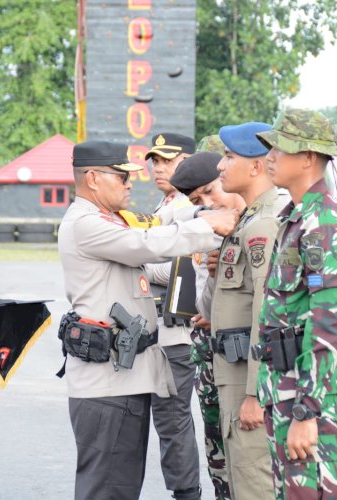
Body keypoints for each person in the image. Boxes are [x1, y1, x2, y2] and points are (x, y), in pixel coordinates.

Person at [58, 140, 237, 500]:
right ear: (92, 178)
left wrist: (199, 212)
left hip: (123, 379)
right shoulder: (86, 224)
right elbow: (147, 243)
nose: (129, 184)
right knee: (107, 489)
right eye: (121, 176)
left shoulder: (108, 220)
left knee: (122, 485)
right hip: (106, 384)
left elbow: (157, 222)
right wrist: (209, 226)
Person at [254, 109, 337, 499]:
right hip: (285, 387)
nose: (270, 157)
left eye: (280, 148)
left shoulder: (324, 225)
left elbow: (328, 323)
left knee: (314, 492)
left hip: (307, 393)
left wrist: (307, 410)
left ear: (308, 158)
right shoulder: (297, 218)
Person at [208, 122, 285, 499]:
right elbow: (217, 305)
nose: (220, 167)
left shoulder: (265, 225)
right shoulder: (248, 220)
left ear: (256, 166)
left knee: (256, 486)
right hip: (233, 376)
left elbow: (265, 313)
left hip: (248, 383)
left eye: (228, 156)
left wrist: (255, 392)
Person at [169, 149, 245, 500]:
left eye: (212, 191)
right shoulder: (216, 225)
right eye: (200, 199)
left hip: (255, 362)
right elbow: (204, 305)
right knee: (219, 445)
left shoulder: (268, 222)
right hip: (215, 349)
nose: (210, 202)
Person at [143, 132, 204, 499]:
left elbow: (188, 271)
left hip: (174, 335)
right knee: (169, 423)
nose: (159, 167)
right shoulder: (164, 205)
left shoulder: (189, 206)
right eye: (155, 160)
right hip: (157, 333)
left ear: (188, 160)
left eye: (168, 159)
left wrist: (136, 265)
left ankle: (187, 494)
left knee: (173, 423)